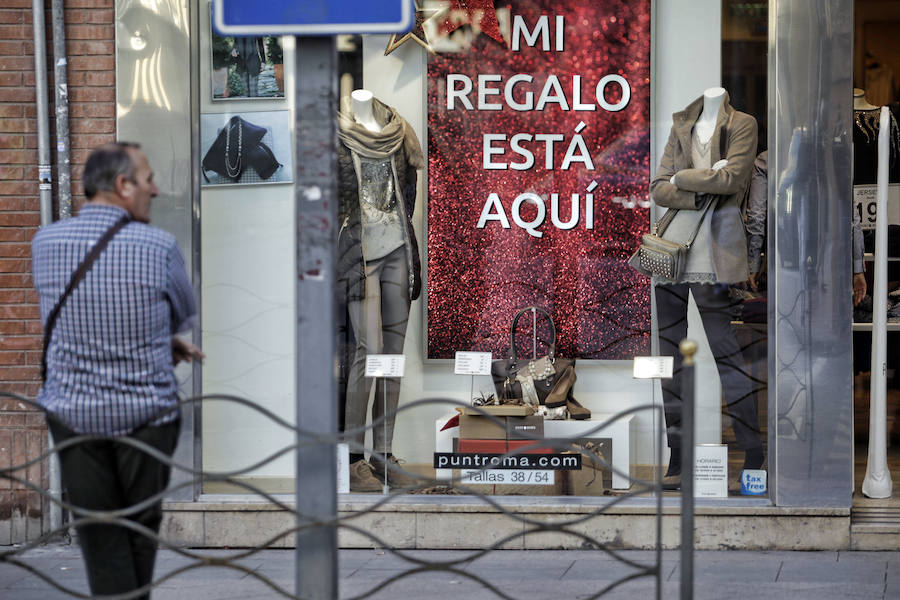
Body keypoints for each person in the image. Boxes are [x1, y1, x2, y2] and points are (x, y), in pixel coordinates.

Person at [31, 142, 203, 598]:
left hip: (74, 415)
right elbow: (183, 315)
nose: (157, 189)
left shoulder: (45, 242)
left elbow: (70, 317)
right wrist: (164, 342)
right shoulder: (161, 246)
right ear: (124, 186)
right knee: (140, 530)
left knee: (99, 534)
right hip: (146, 416)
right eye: (149, 180)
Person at [647, 88, 765, 487]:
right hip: (669, 258)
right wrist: (699, 180)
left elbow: (733, 178)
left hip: (714, 260)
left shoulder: (742, 123)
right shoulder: (682, 124)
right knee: (671, 365)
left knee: (728, 356)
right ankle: (677, 458)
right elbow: (659, 187)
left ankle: (754, 451)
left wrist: (683, 178)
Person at [337, 90, 423, 492]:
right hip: (359, 255)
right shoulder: (336, 136)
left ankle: (384, 455)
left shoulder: (397, 129)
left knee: (392, 357)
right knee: (367, 352)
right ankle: (353, 460)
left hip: (397, 251)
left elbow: (407, 198)